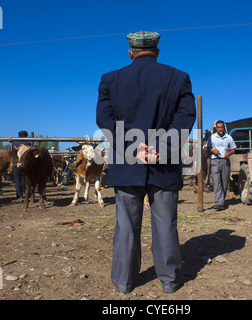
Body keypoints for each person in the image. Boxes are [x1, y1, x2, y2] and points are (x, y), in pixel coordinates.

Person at [96, 30, 196, 294]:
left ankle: (124, 282)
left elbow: (105, 121)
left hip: (126, 164)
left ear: (131, 53)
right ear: (157, 52)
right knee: (165, 225)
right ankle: (170, 281)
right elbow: (186, 116)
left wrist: (131, 148)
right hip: (163, 164)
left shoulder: (110, 80)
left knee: (126, 226)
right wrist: (162, 146)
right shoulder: (178, 77)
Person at [205, 120, 236, 210]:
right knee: (217, 182)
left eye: (221, 127)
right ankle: (219, 203)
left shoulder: (229, 137)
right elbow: (206, 148)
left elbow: (233, 149)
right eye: (218, 127)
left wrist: (229, 153)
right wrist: (212, 151)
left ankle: (222, 199)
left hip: (225, 161)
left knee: (224, 182)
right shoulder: (212, 137)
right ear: (216, 128)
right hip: (214, 161)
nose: (220, 129)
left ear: (224, 128)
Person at [10, 130, 31, 200]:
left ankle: (19, 195)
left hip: (17, 163)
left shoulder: (14, 143)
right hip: (26, 164)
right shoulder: (28, 143)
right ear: (24, 136)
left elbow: (13, 153)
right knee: (25, 179)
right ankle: (27, 194)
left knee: (17, 179)